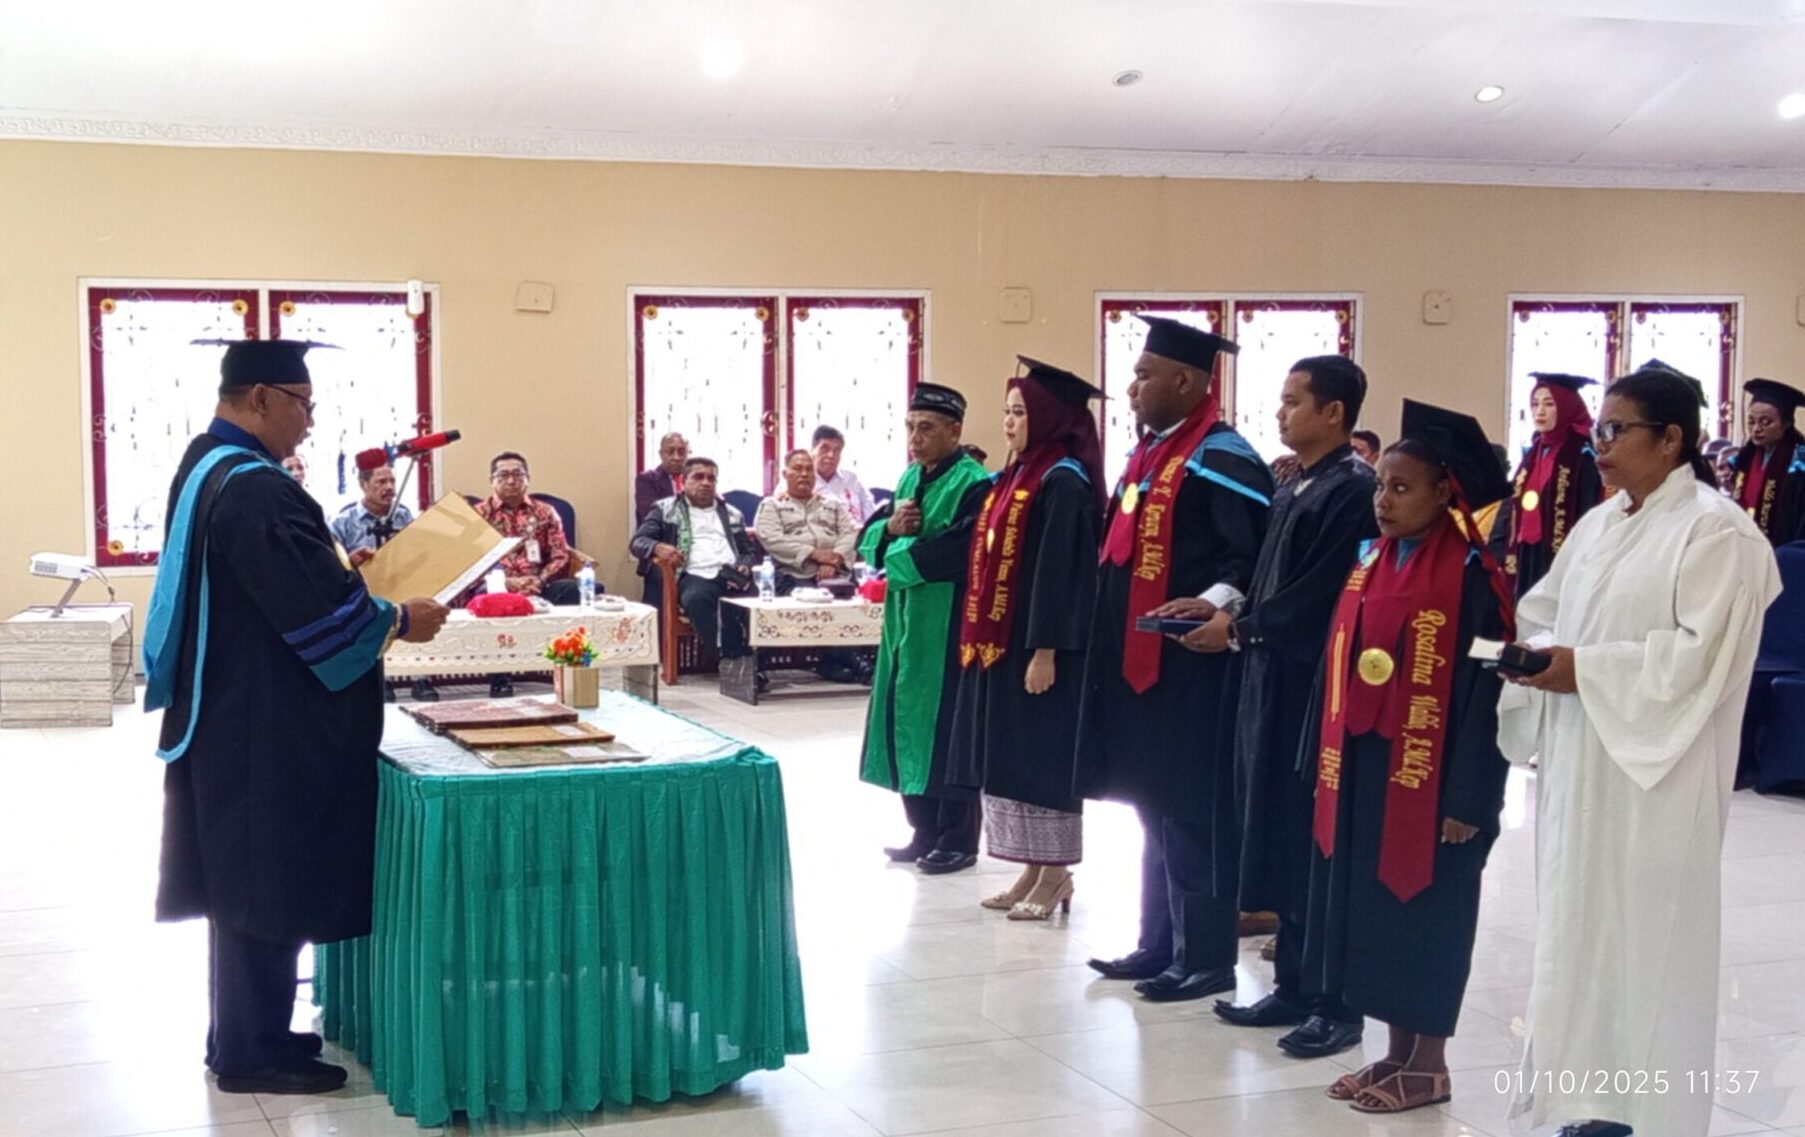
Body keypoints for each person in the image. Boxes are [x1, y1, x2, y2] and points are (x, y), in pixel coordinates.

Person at [143, 340, 447, 1096]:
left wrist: (344, 573)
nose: (310, 422)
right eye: (304, 404)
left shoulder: (205, 463)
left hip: (228, 706)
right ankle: (250, 1054)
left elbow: (277, 580)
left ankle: (248, 1033)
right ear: (260, 398)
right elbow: (314, 613)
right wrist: (398, 617)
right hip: (263, 722)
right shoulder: (257, 489)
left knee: (244, 884)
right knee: (262, 884)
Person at [1499, 363, 1780, 1137]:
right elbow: (1542, 610)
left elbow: (1699, 657)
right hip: (1580, 757)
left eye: (1615, 430)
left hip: (1656, 773)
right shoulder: (1599, 524)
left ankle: (1649, 1114)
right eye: (1597, 430)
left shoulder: (1716, 531)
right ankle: (1586, 1102)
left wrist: (1584, 668)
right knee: (1579, 930)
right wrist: (1528, 655)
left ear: (1669, 439)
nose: (1598, 444)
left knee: (1648, 942)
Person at [1299, 401, 1515, 1115]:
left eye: (1400, 488)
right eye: (1380, 486)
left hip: (1437, 778)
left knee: (1428, 914)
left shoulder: (1475, 576)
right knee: (1377, 913)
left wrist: (1470, 797)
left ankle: (1430, 1064)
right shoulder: (1371, 561)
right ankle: (1394, 1053)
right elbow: (1336, 662)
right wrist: (1320, 760)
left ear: (1444, 491)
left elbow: (1488, 692)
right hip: (1366, 767)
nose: (1383, 501)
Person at [1074, 316, 1273, 1003]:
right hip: (1139, 667)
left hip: (1194, 667)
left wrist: (1211, 602)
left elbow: (1249, 559)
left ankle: (1206, 957)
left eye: (1143, 375)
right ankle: (1158, 943)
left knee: (1192, 811)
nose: (1130, 388)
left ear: (1186, 381)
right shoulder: (1153, 454)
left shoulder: (1222, 457)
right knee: (1153, 806)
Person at [1210, 356, 1377, 1058]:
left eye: (1292, 401)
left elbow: (1317, 594)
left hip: (1314, 684)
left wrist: (1241, 629)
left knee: (1317, 841)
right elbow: (1266, 576)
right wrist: (1226, 609)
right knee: (1279, 829)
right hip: (1268, 678)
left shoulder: (1352, 489)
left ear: (1333, 412)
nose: (1279, 413)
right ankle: (1293, 984)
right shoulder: (1296, 482)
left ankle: (1335, 1003)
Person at [945, 358, 1104, 919]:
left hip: (1042, 649)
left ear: (1049, 416)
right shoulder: (1015, 477)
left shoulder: (1064, 482)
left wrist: (1045, 650)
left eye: (1019, 412)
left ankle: (1056, 874)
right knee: (1012, 759)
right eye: (1007, 411)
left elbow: (1062, 576)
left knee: (1042, 760)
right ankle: (1032, 870)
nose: (1008, 423)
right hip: (1004, 645)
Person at [859, 384, 992, 873]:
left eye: (927, 428)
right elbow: (868, 538)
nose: (915, 438)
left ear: (955, 431)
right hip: (904, 624)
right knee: (905, 721)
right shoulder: (910, 477)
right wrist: (891, 530)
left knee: (948, 730)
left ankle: (958, 839)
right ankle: (924, 830)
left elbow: (960, 551)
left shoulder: (975, 484)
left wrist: (895, 562)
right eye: (911, 427)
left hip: (949, 624)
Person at [629, 456, 758, 670]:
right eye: (698, 477)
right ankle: (732, 661)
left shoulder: (733, 514)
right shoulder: (666, 509)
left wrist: (744, 564)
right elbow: (638, 541)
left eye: (711, 478)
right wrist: (658, 547)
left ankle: (753, 663)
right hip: (694, 574)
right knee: (696, 599)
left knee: (759, 600)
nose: (706, 482)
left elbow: (748, 551)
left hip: (731, 575)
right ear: (683, 481)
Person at [473, 450, 582, 696]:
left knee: (572, 590)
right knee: (492, 596)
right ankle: (500, 675)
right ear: (492, 480)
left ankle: (566, 667)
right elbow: (472, 562)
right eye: (503, 476)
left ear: (528, 478)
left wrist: (540, 580)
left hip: (539, 583)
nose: (511, 481)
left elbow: (561, 555)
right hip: (497, 584)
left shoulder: (545, 512)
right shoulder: (479, 515)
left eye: (518, 474)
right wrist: (508, 582)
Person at [331, 464, 437, 702]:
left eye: (392, 481)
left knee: (419, 610)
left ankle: (421, 678)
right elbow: (331, 565)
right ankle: (384, 679)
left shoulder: (404, 516)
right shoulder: (343, 521)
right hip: (366, 593)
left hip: (405, 585)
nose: (389, 487)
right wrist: (352, 561)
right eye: (381, 482)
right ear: (363, 485)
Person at [1493, 373, 1604, 598]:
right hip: (1525, 551)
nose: (1540, 412)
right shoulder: (1533, 452)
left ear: (1566, 407)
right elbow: (1513, 502)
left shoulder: (1581, 454)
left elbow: (1588, 509)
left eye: (1549, 404)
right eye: (1535, 404)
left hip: (1558, 553)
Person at [755, 449, 858, 589]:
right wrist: (813, 553)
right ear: (785, 474)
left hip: (837, 573)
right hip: (793, 576)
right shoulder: (772, 505)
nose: (804, 474)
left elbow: (850, 533)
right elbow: (773, 540)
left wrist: (835, 559)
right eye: (797, 469)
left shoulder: (833, 503)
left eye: (809, 469)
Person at [1728, 377, 1805, 545]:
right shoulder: (1744, 458)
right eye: (1751, 422)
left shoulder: (1799, 463)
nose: (1756, 429)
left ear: (1786, 423)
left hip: (1784, 548)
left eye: (1766, 422)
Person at [813, 424, 879, 524]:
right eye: (825, 449)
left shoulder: (852, 480)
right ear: (813, 451)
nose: (831, 455)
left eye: (837, 450)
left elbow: (872, 518)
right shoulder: (799, 482)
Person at [636, 431, 689, 522]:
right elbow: (651, 516)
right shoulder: (647, 479)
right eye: (670, 452)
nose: (676, 457)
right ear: (661, 454)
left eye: (681, 452)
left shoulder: (695, 480)